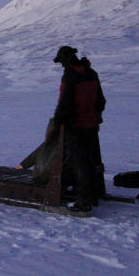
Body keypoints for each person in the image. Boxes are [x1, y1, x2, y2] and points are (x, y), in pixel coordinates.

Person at [50, 46, 106, 212]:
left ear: (66, 59)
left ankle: (83, 201)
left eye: (62, 62)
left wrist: (58, 122)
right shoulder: (91, 73)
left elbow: (65, 102)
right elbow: (101, 100)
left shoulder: (70, 75)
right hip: (92, 124)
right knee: (92, 159)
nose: (61, 65)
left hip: (76, 125)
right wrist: (95, 116)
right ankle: (94, 193)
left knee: (78, 162)